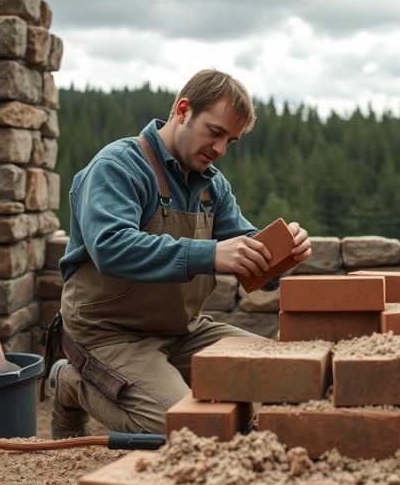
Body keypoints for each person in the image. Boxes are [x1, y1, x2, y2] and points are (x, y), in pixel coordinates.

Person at [46, 69, 312, 437]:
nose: (219, 149)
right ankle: (71, 380)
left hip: (182, 332)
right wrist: (210, 254)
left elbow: (247, 252)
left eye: (230, 142)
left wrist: (284, 251)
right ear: (183, 110)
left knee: (286, 369)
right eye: (215, 132)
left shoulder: (212, 185)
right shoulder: (118, 166)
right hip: (109, 335)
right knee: (185, 430)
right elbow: (111, 247)